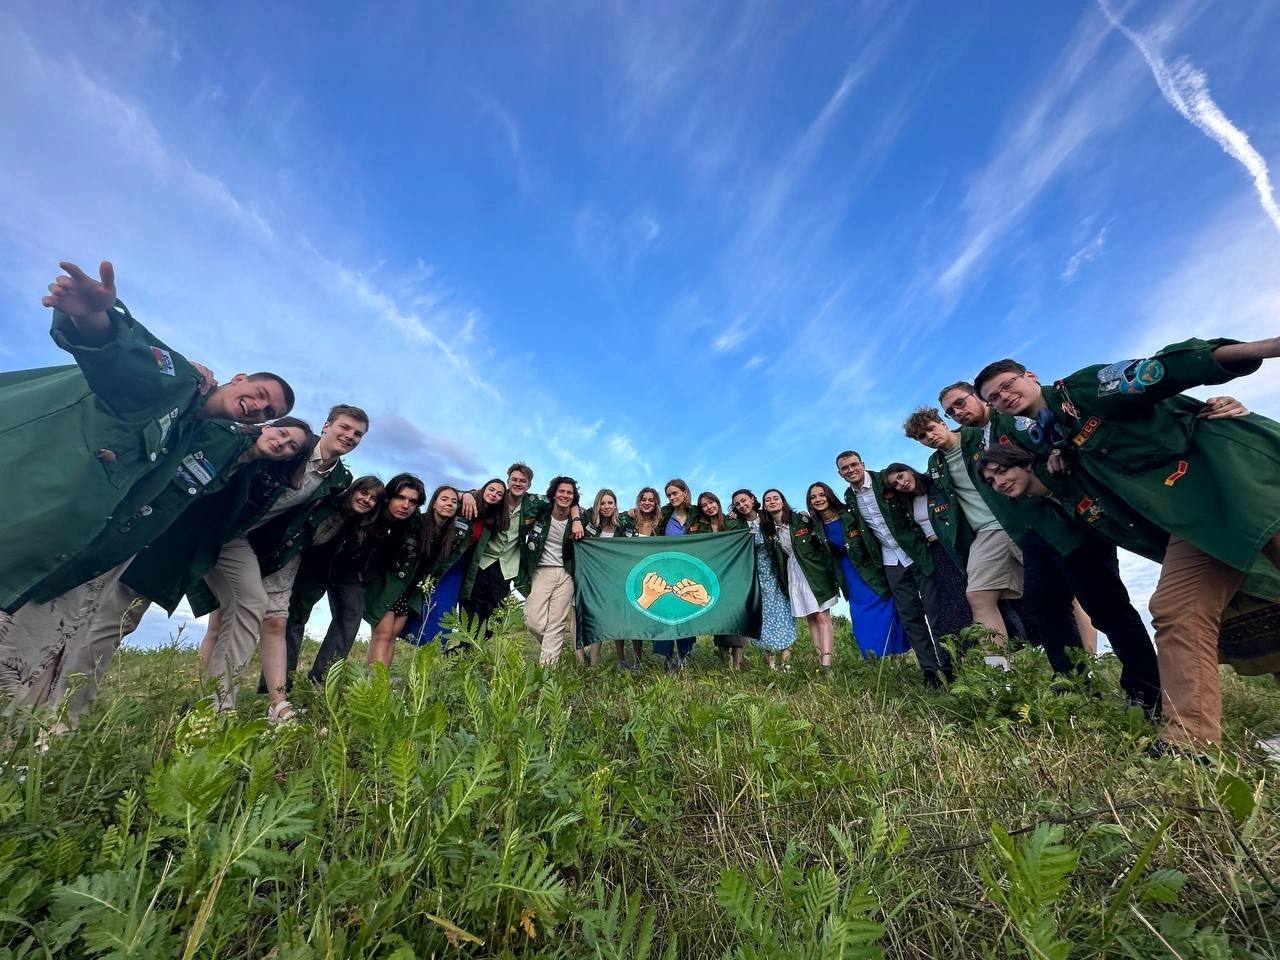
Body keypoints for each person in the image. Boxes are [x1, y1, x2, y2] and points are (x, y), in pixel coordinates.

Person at [977, 340, 1280, 746]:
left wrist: (1268, 347)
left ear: (1030, 376)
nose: (1004, 397)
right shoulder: (1052, 443)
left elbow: (1161, 371)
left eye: (1008, 385)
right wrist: (1056, 456)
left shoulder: (1081, 390)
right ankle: (1190, 744)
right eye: (994, 398)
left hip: (1236, 484)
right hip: (1193, 520)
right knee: (1177, 609)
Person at [1, 260, 293, 629]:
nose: (258, 407)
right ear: (239, 379)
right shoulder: (181, 381)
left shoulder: (192, 432)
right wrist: (91, 317)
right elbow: (128, 359)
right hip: (21, 489)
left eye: (268, 412)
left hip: (59, 540)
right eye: (260, 394)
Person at [2, 418, 312, 726]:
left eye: (291, 447)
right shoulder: (219, 435)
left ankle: (216, 711)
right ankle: (59, 717)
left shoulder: (257, 471)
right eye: (282, 433)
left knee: (121, 621)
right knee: (111, 621)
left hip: (192, 546)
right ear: (268, 426)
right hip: (154, 537)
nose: (282, 444)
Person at [938, 381, 1160, 709]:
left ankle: (1146, 692)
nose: (958, 412)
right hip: (1031, 532)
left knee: (1106, 607)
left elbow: (1060, 435)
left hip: (1069, 523)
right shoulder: (974, 441)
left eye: (961, 403)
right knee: (1045, 606)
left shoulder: (1014, 419)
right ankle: (1072, 685)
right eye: (951, 411)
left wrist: (1057, 452)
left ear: (977, 397)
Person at [902, 406, 1023, 643]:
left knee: (1064, 586)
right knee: (978, 595)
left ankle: (1087, 659)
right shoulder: (935, 463)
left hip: (1019, 520)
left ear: (942, 423)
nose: (929, 437)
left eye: (931, 429)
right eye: (922, 437)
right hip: (986, 531)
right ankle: (998, 664)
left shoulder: (976, 436)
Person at [836, 450, 953, 685]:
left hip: (917, 553)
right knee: (910, 617)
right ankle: (930, 672)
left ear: (862, 464)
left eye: (854, 465)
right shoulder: (849, 498)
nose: (851, 470)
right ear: (840, 474)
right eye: (845, 468)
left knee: (935, 612)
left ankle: (949, 666)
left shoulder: (885, 480)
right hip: (891, 561)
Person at [281, 475, 385, 685]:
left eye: (373, 498)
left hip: (347, 570)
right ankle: (280, 683)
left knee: (351, 613)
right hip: (312, 563)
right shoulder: (331, 505)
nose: (366, 500)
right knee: (295, 616)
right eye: (363, 493)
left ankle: (322, 680)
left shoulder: (369, 523)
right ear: (353, 490)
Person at [459, 463, 584, 637]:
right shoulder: (497, 496)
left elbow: (567, 501)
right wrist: (466, 495)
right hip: (483, 561)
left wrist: (576, 520)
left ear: (529, 485)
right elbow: (469, 494)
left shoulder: (534, 503)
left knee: (495, 615)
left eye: (522, 481)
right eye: (514, 480)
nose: (518, 484)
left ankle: (479, 647)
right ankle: (466, 647)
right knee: (471, 609)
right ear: (508, 481)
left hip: (507, 566)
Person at [806, 481, 909, 659]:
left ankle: (896, 657)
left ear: (829, 495)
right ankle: (873, 658)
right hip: (847, 575)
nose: (818, 499)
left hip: (868, 570)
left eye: (822, 495)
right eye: (813, 497)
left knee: (885, 610)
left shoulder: (849, 515)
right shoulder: (815, 526)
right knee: (861, 617)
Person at [761, 489, 840, 669]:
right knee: (811, 617)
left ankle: (827, 662)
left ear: (783, 501)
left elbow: (820, 538)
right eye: (768, 500)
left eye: (776, 498)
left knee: (822, 615)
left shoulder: (800, 519)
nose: (772, 502)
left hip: (812, 569)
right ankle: (820, 658)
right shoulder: (769, 529)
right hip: (793, 571)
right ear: (764, 506)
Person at [362, 474, 427, 670]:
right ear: (389, 497)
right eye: (400, 497)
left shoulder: (414, 522)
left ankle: (382, 682)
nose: (405, 505)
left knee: (391, 636)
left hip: (402, 585)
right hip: (377, 582)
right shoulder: (372, 515)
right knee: (382, 633)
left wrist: (466, 494)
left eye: (412, 501)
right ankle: (374, 683)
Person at [731, 489, 796, 669]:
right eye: (737, 504)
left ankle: (786, 665)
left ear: (752, 500)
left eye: (744, 500)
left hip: (778, 575)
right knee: (764, 620)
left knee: (784, 617)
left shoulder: (767, 517)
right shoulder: (738, 524)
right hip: (755, 579)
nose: (742, 505)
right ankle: (770, 664)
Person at [520, 477, 582, 666]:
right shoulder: (542, 511)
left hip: (566, 574)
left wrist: (577, 519)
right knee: (533, 621)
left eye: (569, 493)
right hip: (542, 571)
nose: (565, 495)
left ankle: (548, 671)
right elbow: (523, 499)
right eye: (561, 491)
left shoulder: (578, 519)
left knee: (556, 623)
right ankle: (553, 648)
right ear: (554, 493)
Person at [580, 489, 642, 669]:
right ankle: (620, 660)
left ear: (615, 505)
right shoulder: (589, 521)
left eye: (610, 503)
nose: (606, 507)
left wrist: (633, 511)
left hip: (621, 577)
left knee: (632, 619)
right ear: (597, 505)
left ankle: (638, 661)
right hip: (597, 579)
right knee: (614, 620)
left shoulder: (623, 524)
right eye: (602, 503)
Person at [688, 492, 749, 670]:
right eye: (704, 505)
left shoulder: (733, 521)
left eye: (711, 502)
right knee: (720, 620)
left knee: (736, 619)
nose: (709, 507)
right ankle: (724, 665)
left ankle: (737, 666)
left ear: (717, 502)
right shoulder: (700, 526)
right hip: (712, 578)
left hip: (735, 576)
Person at [653, 479, 701, 670]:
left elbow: (717, 519)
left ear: (685, 492)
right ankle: (668, 656)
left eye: (675, 493)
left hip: (690, 571)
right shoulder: (664, 514)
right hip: (667, 570)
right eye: (669, 495)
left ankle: (685, 654)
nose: (672, 497)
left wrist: (732, 516)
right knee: (666, 612)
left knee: (686, 612)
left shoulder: (697, 513)